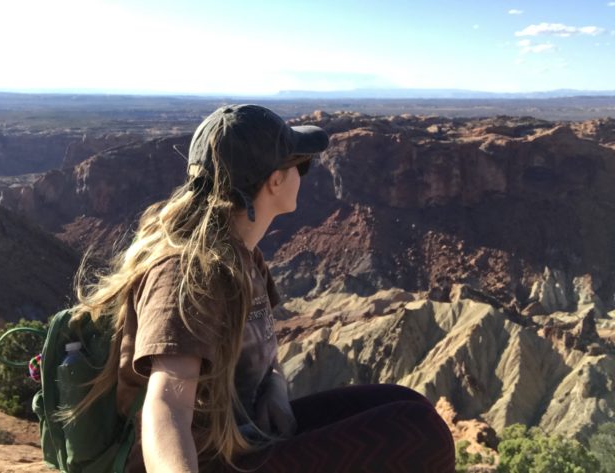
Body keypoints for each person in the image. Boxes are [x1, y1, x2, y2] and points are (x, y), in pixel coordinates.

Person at [68, 104, 455, 472]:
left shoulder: (243, 257)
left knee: (406, 403)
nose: (305, 173)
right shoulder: (186, 272)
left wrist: (275, 387)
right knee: (423, 434)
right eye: (300, 163)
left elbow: (264, 356)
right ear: (274, 180)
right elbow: (166, 406)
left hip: (246, 437)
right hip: (210, 462)